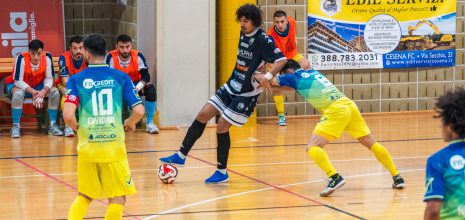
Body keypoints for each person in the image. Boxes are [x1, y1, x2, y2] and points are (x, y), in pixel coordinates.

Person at [159, 4, 287, 183]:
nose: (242, 24)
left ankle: (221, 171)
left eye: (246, 21)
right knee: (204, 114)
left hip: (246, 94)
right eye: (240, 20)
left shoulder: (263, 39)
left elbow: (281, 59)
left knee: (221, 125)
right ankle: (181, 155)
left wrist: (267, 76)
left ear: (255, 21)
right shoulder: (244, 33)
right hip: (231, 85)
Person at [257, 60, 405, 196]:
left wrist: (255, 74)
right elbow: (286, 88)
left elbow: (269, 80)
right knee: (371, 143)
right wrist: (272, 84)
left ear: (288, 71)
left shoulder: (293, 76)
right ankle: (397, 176)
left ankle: (334, 177)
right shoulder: (311, 72)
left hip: (335, 110)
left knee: (312, 147)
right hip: (348, 104)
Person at [64, 34, 145, 220]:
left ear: (86, 53)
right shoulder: (120, 77)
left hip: (88, 147)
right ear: (107, 52)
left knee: (85, 195)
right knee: (117, 199)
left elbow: (68, 115)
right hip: (113, 148)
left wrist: (79, 129)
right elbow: (139, 111)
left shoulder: (76, 80)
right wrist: (130, 123)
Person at [4, 39, 62, 138]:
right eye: (33, 53)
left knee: (55, 92)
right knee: (18, 94)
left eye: (39, 53)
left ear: (43, 52)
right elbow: (17, 81)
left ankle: (52, 125)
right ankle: (15, 126)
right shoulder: (21, 57)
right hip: (17, 85)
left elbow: (49, 78)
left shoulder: (47, 57)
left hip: (38, 86)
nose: (36, 57)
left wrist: (43, 91)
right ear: (29, 52)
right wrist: (34, 92)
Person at [423, 89, 465, 220]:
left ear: (450, 126)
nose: (440, 126)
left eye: (442, 121)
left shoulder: (437, 160)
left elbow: (433, 209)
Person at [106, 34, 159, 134]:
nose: (125, 50)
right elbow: (108, 77)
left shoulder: (138, 56)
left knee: (151, 89)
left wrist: (137, 88)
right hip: (117, 87)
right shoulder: (110, 57)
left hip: (135, 86)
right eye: (122, 47)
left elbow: (146, 76)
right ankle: (112, 124)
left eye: (127, 47)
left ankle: (150, 123)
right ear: (116, 46)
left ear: (131, 46)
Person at [57, 35, 87, 137]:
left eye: (80, 48)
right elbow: (65, 81)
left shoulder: (88, 57)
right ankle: (68, 126)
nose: (78, 51)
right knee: (67, 93)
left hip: (82, 86)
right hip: (65, 86)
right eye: (75, 48)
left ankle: (87, 124)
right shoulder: (63, 58)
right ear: (70, 49)